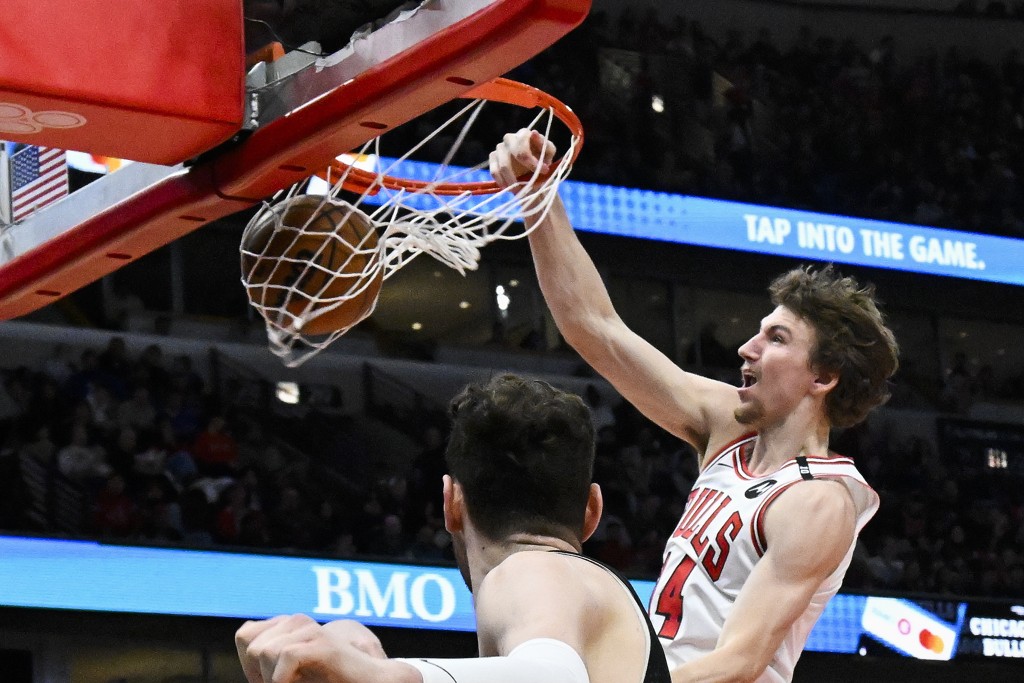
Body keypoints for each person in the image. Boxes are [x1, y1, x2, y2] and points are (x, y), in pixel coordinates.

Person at [489, 129, 899, 682]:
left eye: (776, 339)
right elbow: (595, 329)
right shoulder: (728, 426)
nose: (746, 348)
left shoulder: (817, 501)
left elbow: (739, 663)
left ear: (823, 377)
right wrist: (539, 197)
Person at [235, 374, 670, 683]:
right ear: (592, 511)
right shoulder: (594, 603)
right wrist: (375, 662)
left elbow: (554, 675)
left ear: (452, 504)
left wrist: (384, 675)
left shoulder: (531, 568)